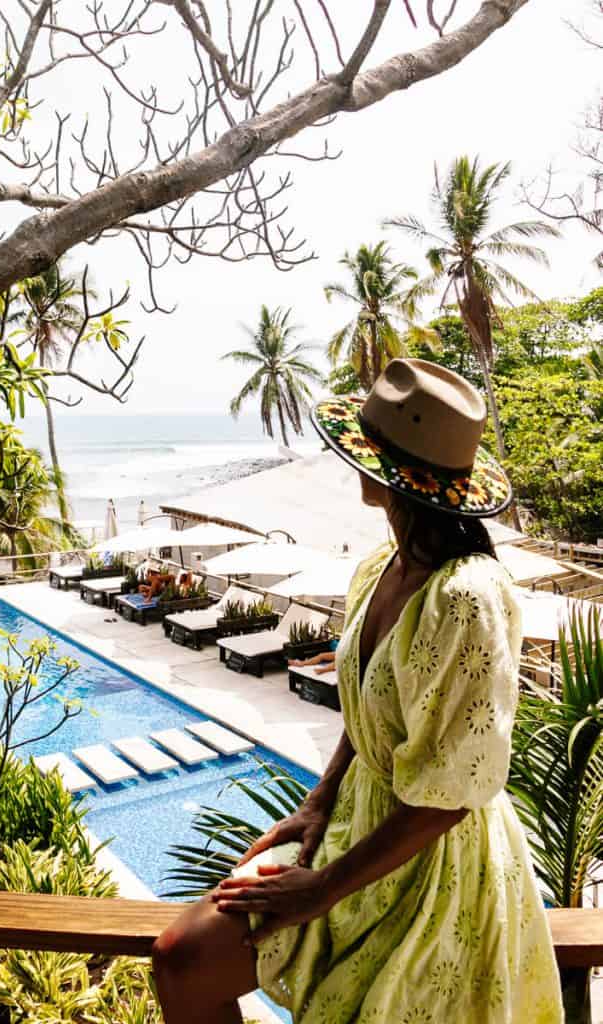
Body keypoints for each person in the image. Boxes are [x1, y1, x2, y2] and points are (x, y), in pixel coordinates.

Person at [152, 359, 562, 1024]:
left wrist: (318, 892)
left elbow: (448, 798)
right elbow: (370, 703)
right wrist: (316, 803)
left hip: (429, 858)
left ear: (386, 470)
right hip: (354, 818)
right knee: (180, 958)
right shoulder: (383, 564)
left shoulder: (464, 598)